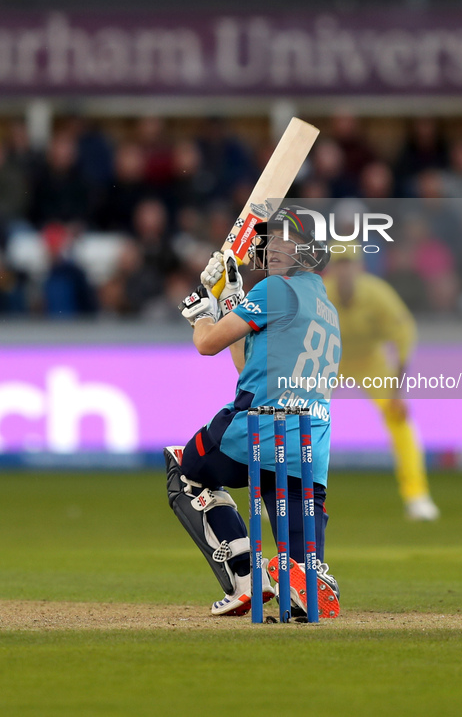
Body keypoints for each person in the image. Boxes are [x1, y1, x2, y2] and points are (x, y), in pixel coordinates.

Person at [164, 208, 341, 619]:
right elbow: (249, 364)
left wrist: (202, 314)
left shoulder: (275, 290)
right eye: (271, 239)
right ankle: (302, 579)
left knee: (185, 470)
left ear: (309, 251)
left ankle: (245, 580)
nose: (274, 246)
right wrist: (230, 298)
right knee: (300, 574)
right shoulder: (325, 307)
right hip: (310, 445)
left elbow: (207, 344)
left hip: (255, 429)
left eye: (286, 240)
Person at [324, 248, 440, 521]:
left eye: (348, 264)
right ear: (330, 269)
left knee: (399, 420)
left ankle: (417, 496)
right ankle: (283, 495)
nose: (344, 271)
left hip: (371, 362)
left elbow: (404, 336)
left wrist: (397, 393)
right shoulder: (319, 293)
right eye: (339, 265)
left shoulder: (377, 294)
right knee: (299, 420)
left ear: (359, 267)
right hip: (329, 362)